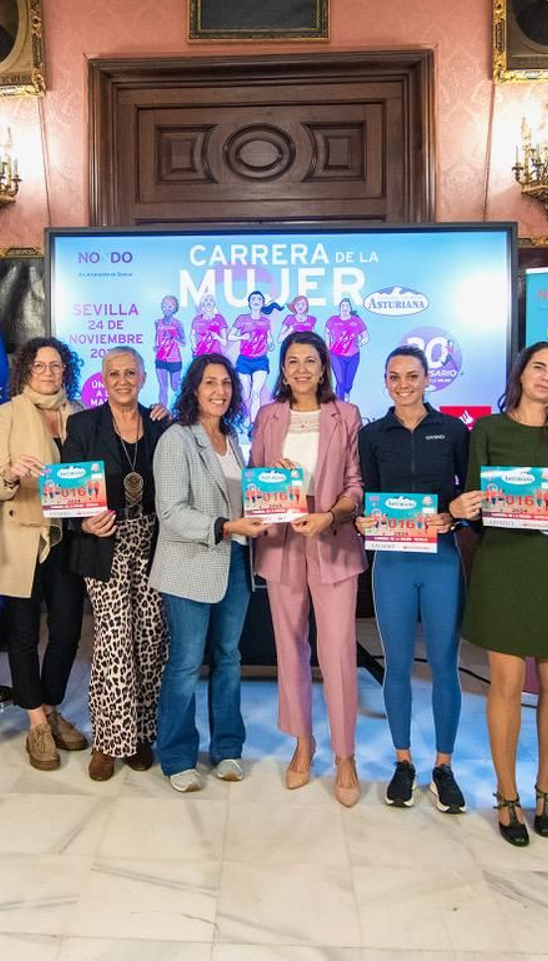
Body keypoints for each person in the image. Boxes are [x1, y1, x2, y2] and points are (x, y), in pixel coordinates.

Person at [455, 341, 548, 845]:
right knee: (506, 685)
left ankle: (547, 788)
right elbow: (472, 507)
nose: (547, 378)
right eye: (538, 367)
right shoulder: (487, 431)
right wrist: (464, 505)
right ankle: (507, 792)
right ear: (520, 373)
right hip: (504, 567)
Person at [248, 333, 365, 806]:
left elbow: (356, 483)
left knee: (336, 649)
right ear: (282, 368)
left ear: (323, 368)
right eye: (292, 361)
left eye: (310, 361)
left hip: (331, 535)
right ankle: (302, 743)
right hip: (281, 539)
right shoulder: (268, 415)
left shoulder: (346, 415)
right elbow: (255, 476)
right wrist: (270, 474)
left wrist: (331, 514)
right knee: (289, 647)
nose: (300, 369)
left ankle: (345, 755)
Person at [356, 346, 472, 812]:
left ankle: (443, 767)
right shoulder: (371, 435)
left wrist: (455, 518)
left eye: (412, 375)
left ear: (428, 380)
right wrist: (364, 519)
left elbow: (468, 495)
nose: (403, 384)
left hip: (441, 560)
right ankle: (403, 762)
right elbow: (366, 492)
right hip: (393, 563)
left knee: (445, 664)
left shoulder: (453, 431)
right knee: (397, 663)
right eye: (394, 376)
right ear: (385, 382)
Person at [150, 353, 267, 792]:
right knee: (184, 663)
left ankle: (228, 749)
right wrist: (224, 527)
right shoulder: (177, 439)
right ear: (194, 389)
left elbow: (243, 497)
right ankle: (178, 756)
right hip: (190, 566)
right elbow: (171, 512)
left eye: (226, 384)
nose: (220, 391)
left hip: (236, 561)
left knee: (229, 659)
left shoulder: (233, 437)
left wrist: (275, 488)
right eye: (209, 383)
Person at [62, 346, 172, 781]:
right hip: (103, 542)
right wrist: (83, 522)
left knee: (149, 638)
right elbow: (67, 490)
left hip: (153, 541)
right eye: (113, 373)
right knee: (112, 640)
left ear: (143, 377)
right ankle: (108, 741)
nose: (122, 380)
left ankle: (142, 734)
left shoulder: (160, 425)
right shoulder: (84, 425)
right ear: (102, 379)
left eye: (130, 372)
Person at [0, 336, 90, 770]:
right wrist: (12, 472)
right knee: (24, 633)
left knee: (68, 630)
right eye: (39, 365)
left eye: (55, 365)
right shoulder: (5, 413)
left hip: (69, 535)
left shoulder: (83, 414)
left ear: (65, 370)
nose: (48, 372)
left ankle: (49, 706)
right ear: (25, 370)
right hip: (20, 532)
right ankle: (35, 722)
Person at [231, 289, 279, 419]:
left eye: (259, 299)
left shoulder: (266, 321)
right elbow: (230, 336)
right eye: (253, 299)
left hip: (260, 361)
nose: (256, 301)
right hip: (244, 360)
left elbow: (269, 338)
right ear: (249, 303)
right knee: (245, 394)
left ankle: (254, 423)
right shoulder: (242, 319)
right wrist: (242, 338)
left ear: (263, 303)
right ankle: (241, 417)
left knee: (256, 393)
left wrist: (270, 343)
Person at [324, 298, 369, 402]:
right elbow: (327, 333)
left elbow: (366, 337)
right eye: (342, 306)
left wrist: (361, 342)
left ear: (350, 308)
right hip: (336, 355)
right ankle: (340, 404)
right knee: (340, 382)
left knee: (348, 383)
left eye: (347, 306)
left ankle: (346, 391)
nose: (345, 308)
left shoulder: (356, 321)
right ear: (339, 308)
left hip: (353, 355)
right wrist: (327, 347)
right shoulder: (332, 320)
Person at [153, 295, 186, 407]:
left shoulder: (178, 324)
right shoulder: (158, 322)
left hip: (174, 359)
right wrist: (156, 347)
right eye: (164, 305)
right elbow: (157, 337)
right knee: (163, 387)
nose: (166, 308)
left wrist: (173, 338)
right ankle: (162, 415)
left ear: (175, 308)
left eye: (170, 306)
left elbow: (184, 342)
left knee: (175, 386)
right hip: (161, 358)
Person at [191, 293, 228, 358]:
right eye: (206, 300)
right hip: (200, 355)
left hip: (215, 356)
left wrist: (217, 337)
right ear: (203, 304)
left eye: (211, 300)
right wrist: (194, 345)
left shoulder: (219, 319)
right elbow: (192, 335)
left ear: (214, 304)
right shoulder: (196, 320)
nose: (208, 303)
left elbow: (225, 343)